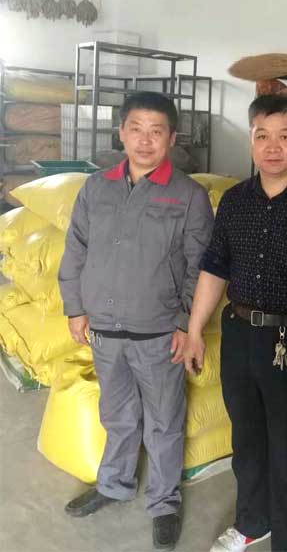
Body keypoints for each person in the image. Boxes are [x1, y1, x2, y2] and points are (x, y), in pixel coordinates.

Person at [182, 94, 287, 552]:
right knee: (248, 440)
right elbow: (215, 267)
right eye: (262, 136)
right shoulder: (234, 201)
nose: (272, 147)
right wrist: (195, 330)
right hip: (240, 336)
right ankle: (253, 522)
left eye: (284, 136)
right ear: (251, 142)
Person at [58, 91, 214, 552]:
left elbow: (201, 266)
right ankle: (114, 484)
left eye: (156, 131)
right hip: (104, 328)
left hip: (159, 333)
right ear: (121, 133)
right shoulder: (96, 187)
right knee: (117, 413)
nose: (145, 141)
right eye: (136, 129)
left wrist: (186, 324)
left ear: (172, 138)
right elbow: (76, 249)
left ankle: (163, 503)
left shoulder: (188, 195)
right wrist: (74, 307)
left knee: (164, 422)